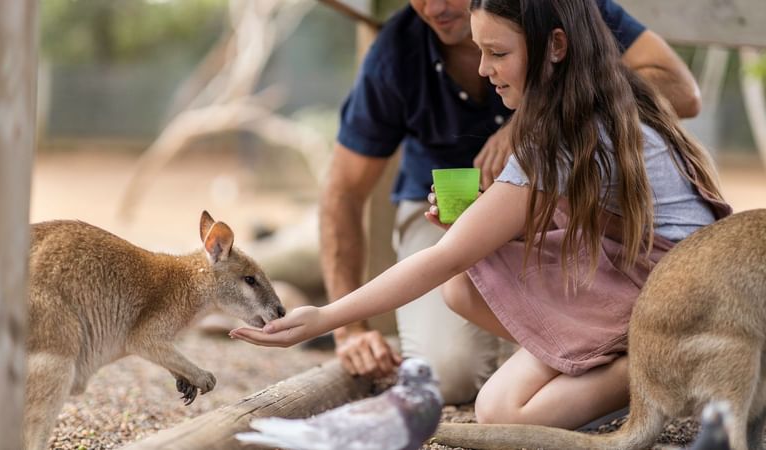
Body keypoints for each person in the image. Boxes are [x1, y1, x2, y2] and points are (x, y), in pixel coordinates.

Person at [232, 0, 730, 429]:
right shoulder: (584, 99)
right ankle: (602, 360)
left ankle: (666, 360)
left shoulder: (554, 131)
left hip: (672, 291)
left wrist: (325, 316)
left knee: (503, 410)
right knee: (475, 323)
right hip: (641, 275)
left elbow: (444, 256)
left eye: (497, 53)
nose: (484, 68)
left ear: (556, 46)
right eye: (480, 50)